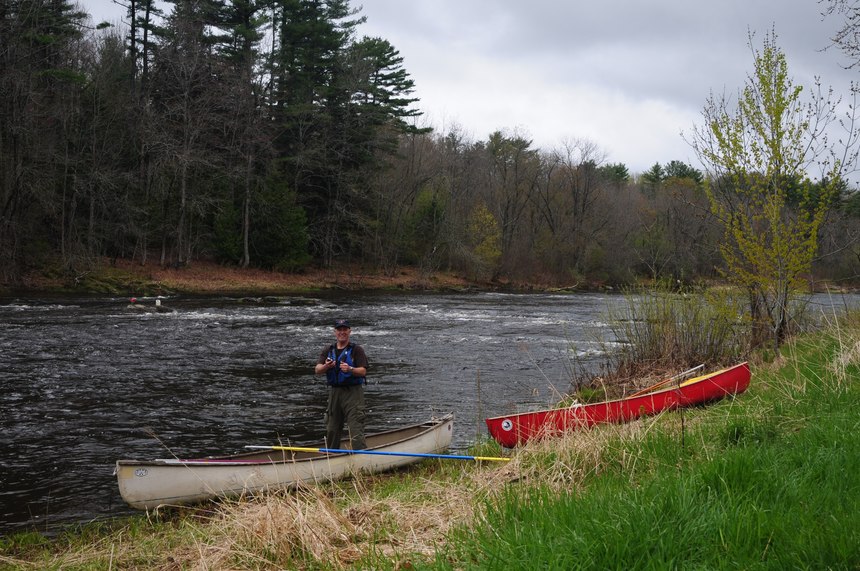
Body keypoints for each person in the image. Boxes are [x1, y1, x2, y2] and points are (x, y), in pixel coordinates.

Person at [314, 319, 369, 450]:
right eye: (339, 330)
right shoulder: (328, 349)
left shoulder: (357, 350)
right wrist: (326, 366)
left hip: (353, 393)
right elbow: (317, 370)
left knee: (355, 427)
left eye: (345, 329)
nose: (342, 332)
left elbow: (363, 371)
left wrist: (350, 369)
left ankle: (360, 455)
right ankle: (332, 455)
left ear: (349, 331)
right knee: (332, 428)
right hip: (335, 393)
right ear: (335, 332)